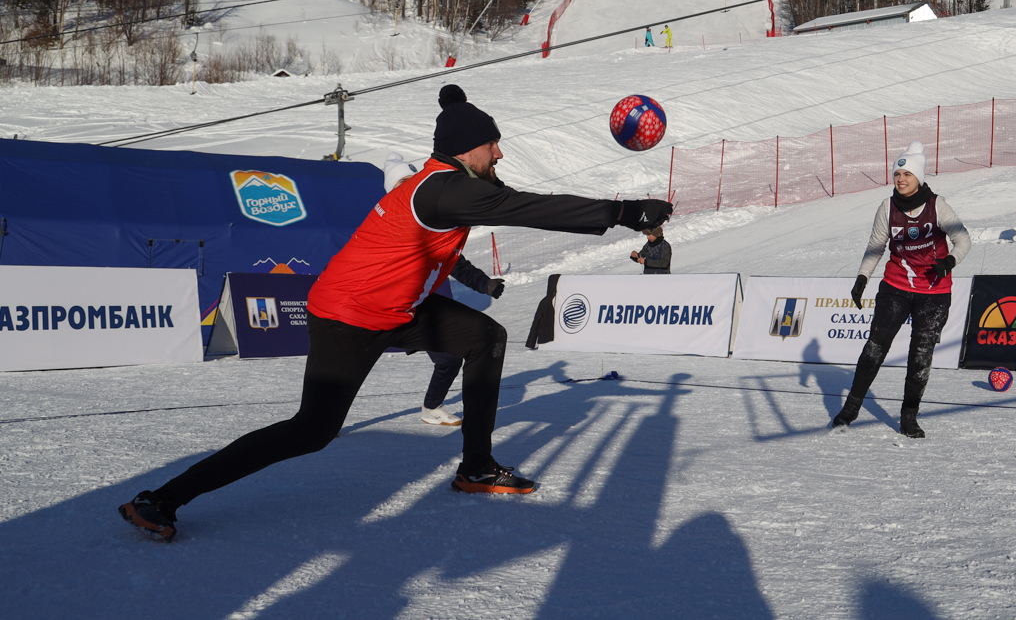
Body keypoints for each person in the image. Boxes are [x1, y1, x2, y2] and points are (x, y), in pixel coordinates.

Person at [119, 85, 673, 542]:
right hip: (348, 315)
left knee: (484, 337)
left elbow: (485, 186)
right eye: (492, 145)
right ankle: (161, 498)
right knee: (311, 431)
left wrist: (454, 104)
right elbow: (526, 207)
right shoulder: (442, 192)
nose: (499, 154)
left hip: (399, 308)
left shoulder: (448, 181)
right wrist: (625, 211)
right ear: (466, 152)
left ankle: (475, 467)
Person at [831, 141, 970, 439]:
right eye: (897, 175)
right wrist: (862, 278)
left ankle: (909, 417)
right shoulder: (887, 207)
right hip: (895, 286)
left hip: (934, 292)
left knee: (920, 357)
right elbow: (876, 246)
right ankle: (850, 409)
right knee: (874, 349)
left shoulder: (937, 206)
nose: (901, 180)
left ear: (919, 177)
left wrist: (948, 261)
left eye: (907, 175)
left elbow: (964, 240)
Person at [383, 153, 503, 428]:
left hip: (415, 308)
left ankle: (431, 408)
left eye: (411, 181)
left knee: (449, 358)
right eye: (402, 182)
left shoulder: (428, 225)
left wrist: (483, 283)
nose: (409, 186)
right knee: (354, 362)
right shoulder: (387, 223)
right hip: (377, 308)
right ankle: (324, 419)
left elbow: (455, 262)